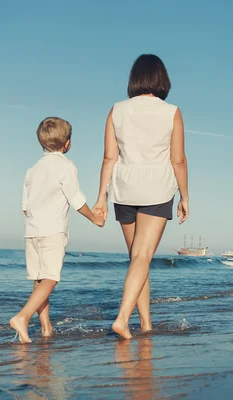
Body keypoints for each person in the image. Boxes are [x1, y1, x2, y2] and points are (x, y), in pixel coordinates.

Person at [93, 54, 189, 339]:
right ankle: (122, 318)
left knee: (138, 258)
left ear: (134, 79)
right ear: (162, 79)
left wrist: (101, 196)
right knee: (142, 257)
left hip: (123, 190)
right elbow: (179, 160)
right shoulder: (172, 111)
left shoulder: (116, 110)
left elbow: (109, 157)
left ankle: (145, 324)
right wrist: (185, 196)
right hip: (157, 188)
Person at [11, 117, 105, 343]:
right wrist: (94, 218)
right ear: (67, 144)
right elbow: (75, 198)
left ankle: (45, 328)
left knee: (39, 279)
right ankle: (22, 317)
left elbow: (25, 207)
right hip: (52, 230)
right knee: (51, 278)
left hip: (31, 231)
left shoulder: (32, 170)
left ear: (41, 142)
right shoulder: (66, 166)